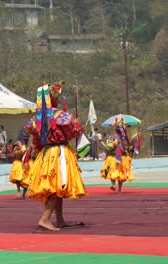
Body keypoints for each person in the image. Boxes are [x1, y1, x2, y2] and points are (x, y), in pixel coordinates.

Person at [26, 82, 87, 231]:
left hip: (45, 153)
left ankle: (59, 219)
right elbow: (76, 131)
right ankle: (45, 219)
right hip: (59, 153)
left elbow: (36, 139)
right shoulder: (62, 116)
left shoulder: (36, 119)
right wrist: (77, 124)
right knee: (57, 186)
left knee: (56, 186)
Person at [100, 115, 136, 192]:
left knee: (121, 173)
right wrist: (114, 144)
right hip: (113, 157)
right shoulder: (112, 136)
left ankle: (119, 188)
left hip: (122, 157)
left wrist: (131, 148)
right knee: (110, 171)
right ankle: (113, 185)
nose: (121, 128)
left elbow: (128, 146)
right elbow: (109, 146)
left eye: (122, 127)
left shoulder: (125, 137)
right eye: (119, 127)